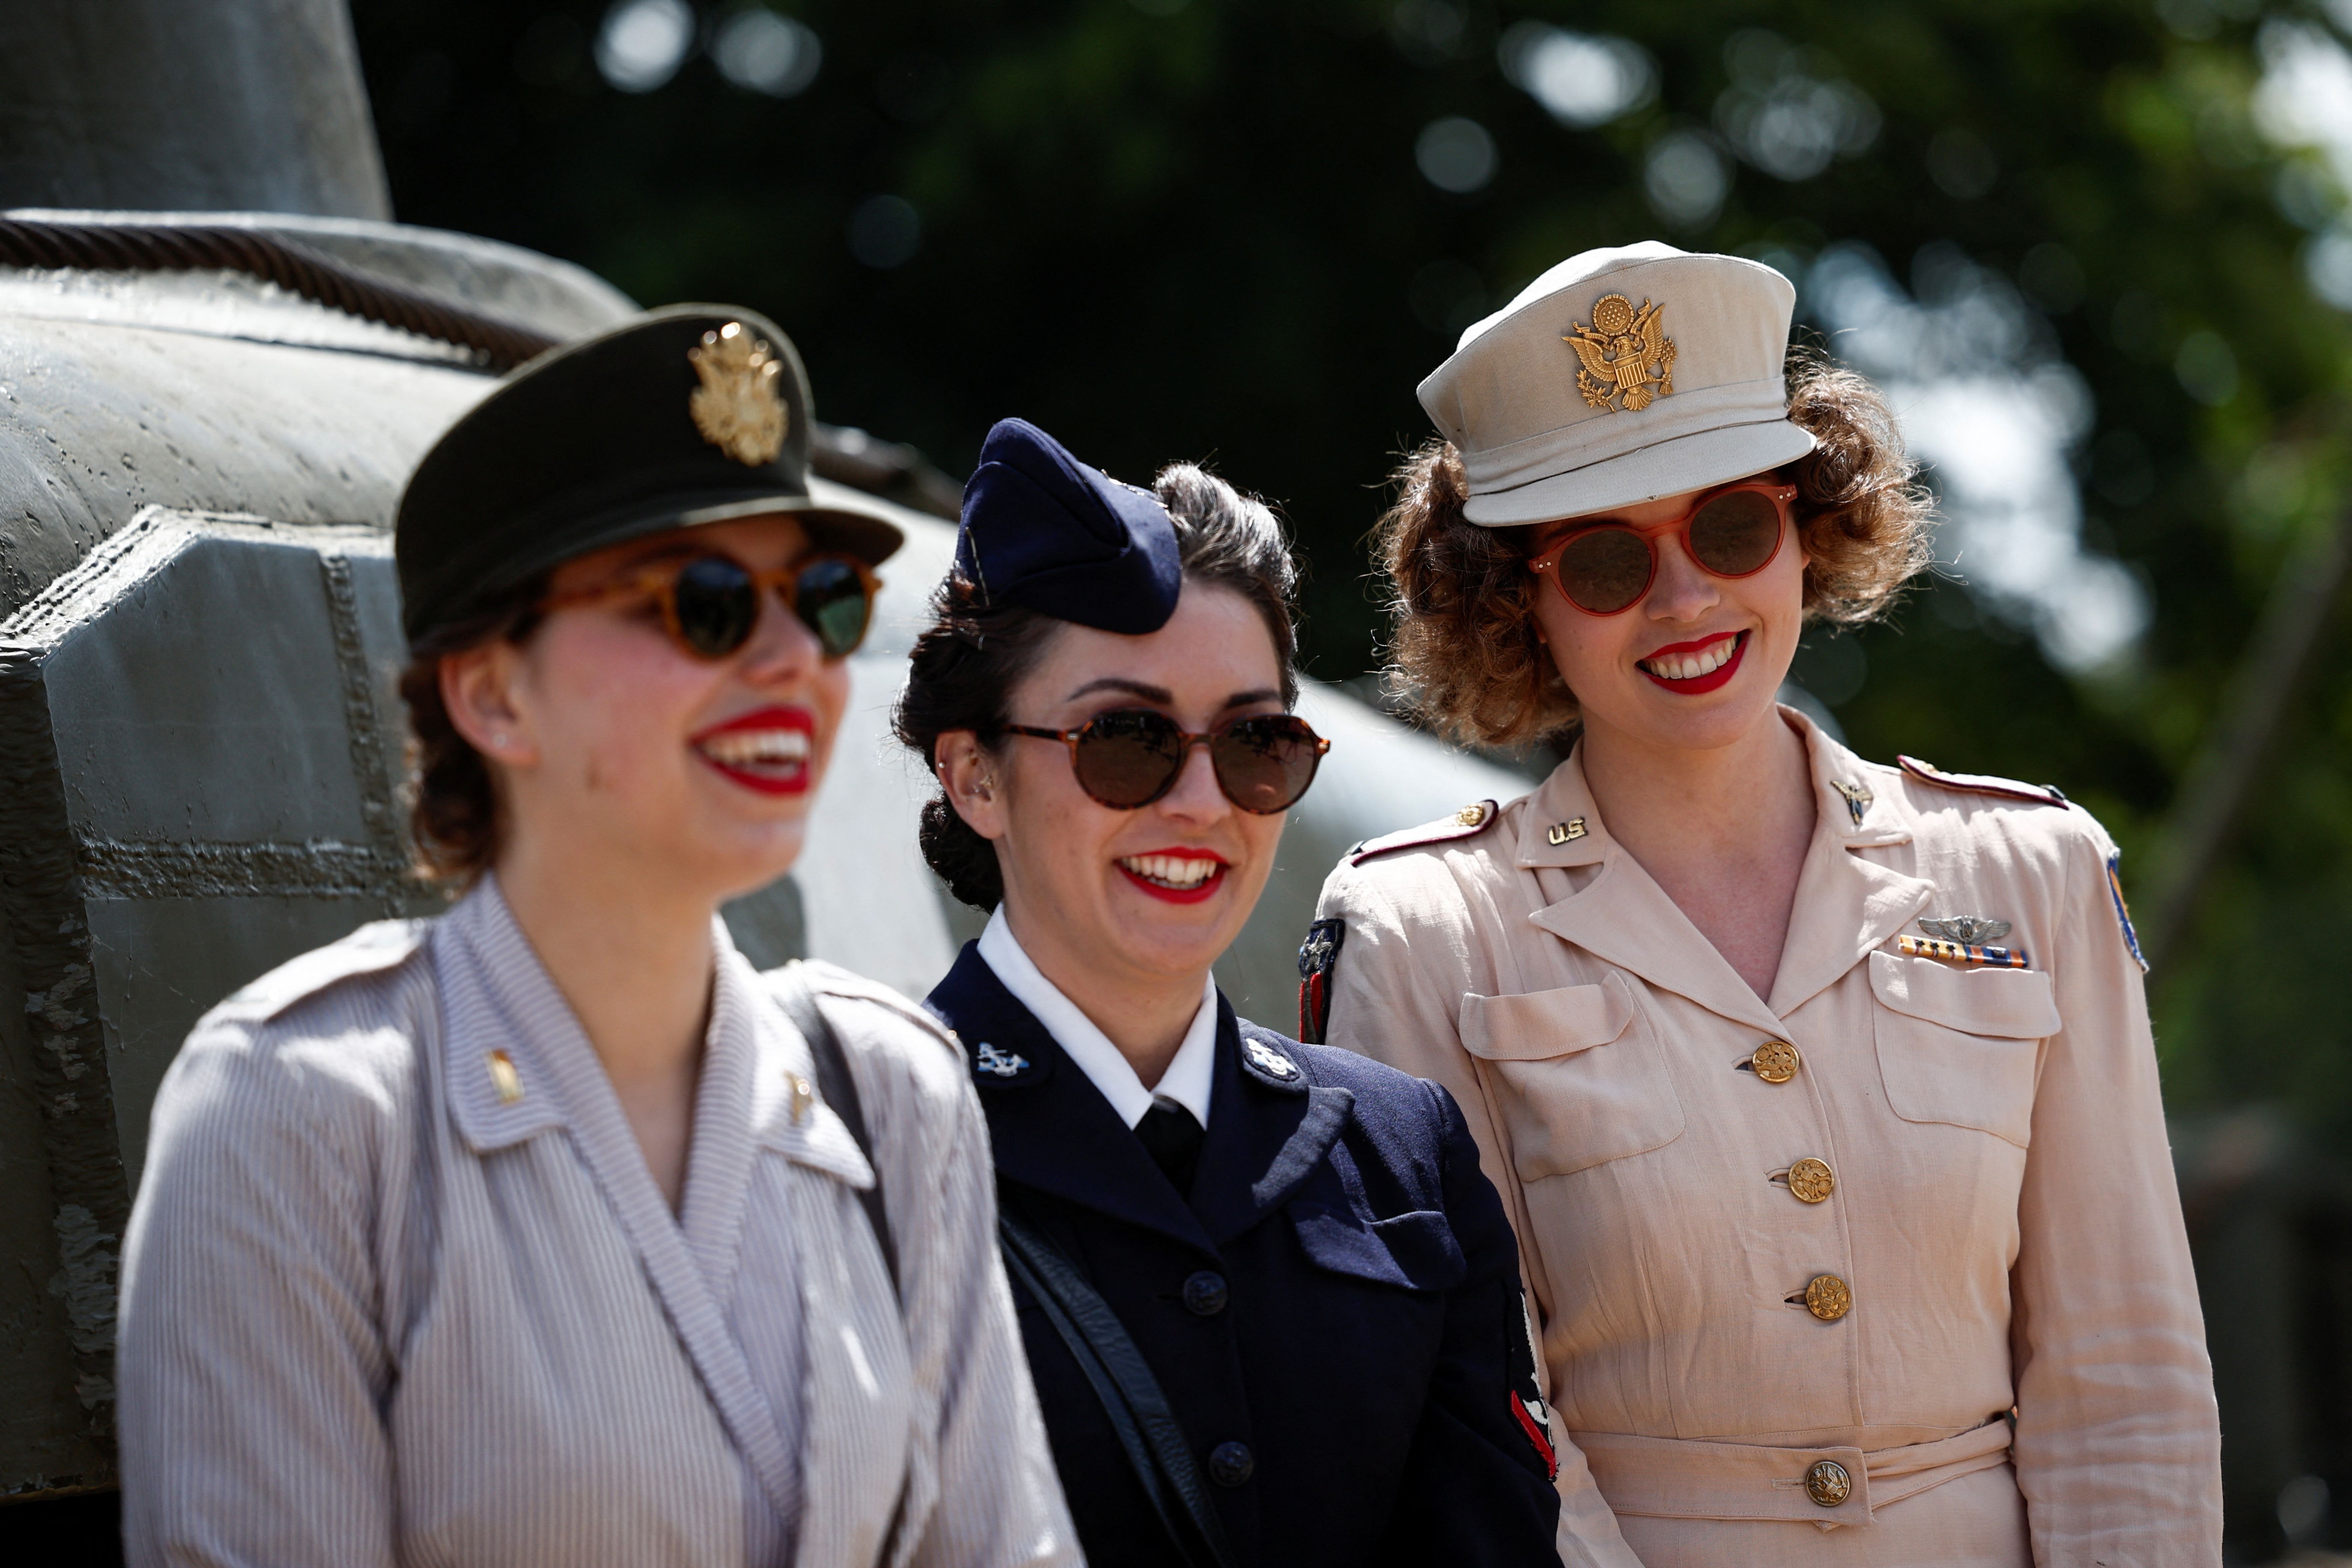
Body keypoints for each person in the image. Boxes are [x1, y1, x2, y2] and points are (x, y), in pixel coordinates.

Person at [1302, 244, 2222, 1566]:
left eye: (1731, 525)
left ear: (1805, 528)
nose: (1686, 597)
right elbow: (1468, 1420)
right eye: (1603, 559)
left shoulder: (2033, 871)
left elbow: (2124, 1377)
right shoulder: (1422, 931)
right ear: (1517, 600)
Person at [116, 308, 1077, 1568]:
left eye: (824, 600)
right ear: (493, 692)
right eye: (705, 603)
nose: (796, 658)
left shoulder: (894, 1094)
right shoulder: (299, 1118)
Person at [897, 419, 1563, 1568]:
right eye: (1127, 737)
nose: (1203, 802)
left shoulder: (1399, 1153)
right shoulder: (861, 1142)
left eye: (1256, 741)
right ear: (974, 777)